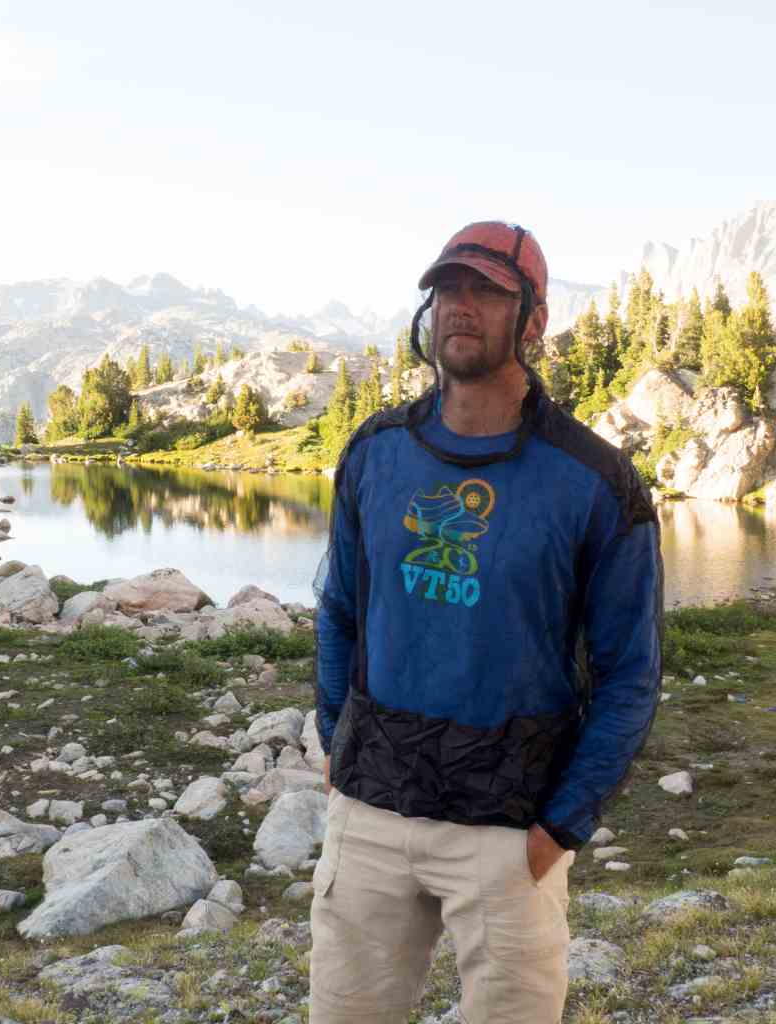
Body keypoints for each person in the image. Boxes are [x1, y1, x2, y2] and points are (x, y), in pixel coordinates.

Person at [310, 221, 662, 1024]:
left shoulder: (595, 481)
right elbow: (338, 609)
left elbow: (631, 675)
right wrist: (337, 741)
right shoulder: (375, 452)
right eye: (447, 289)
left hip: (509, 832)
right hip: (370, 811)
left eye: (486, 291)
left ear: (532, 321)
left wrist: (561, 827)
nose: (459, 307)